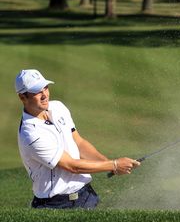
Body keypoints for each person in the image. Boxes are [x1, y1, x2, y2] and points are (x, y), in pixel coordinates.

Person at [16, 69, 140, 209]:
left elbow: (78, 142)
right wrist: (115, 165)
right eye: (37, 91)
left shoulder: (58, 107)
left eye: (45, 87)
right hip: (56, 204)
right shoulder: (30, 133)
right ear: (23, 97)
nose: (44, 94)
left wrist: (108, 163)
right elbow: (72, 166)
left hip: (86, 194)